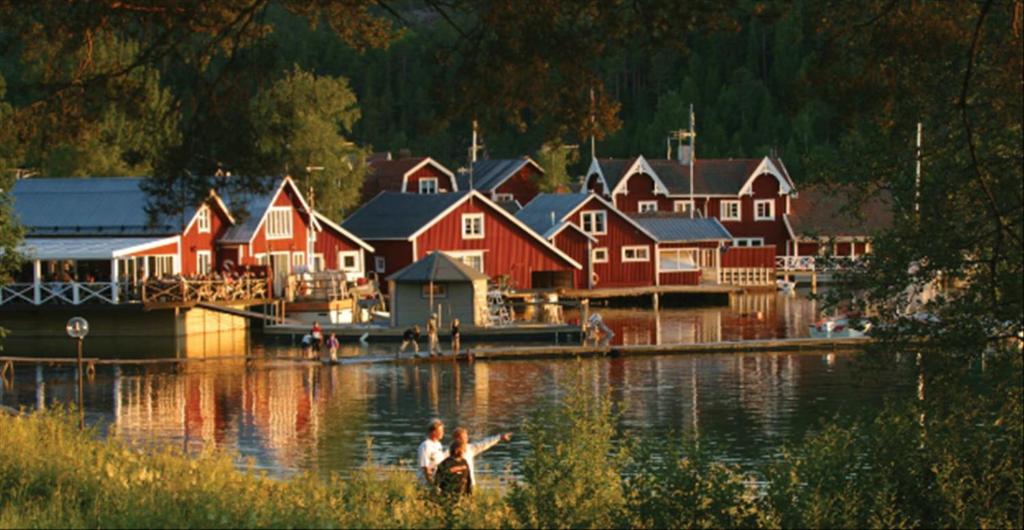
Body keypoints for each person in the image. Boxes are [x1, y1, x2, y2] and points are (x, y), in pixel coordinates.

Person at [451, 427, 512, 494]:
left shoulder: (470, 449)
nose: (467, 439)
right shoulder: (449, 452)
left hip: (470, 484)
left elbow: (484, 444)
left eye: (466, 437)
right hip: (455, 486)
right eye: (464, 438)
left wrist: (499, 437)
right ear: (456, 439)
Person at [417, 418, 448, 486]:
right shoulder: (425, 445)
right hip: (426, 483)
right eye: (441, 431)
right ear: (433, 432)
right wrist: (431, 484)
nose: (443, 433)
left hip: (437, 480)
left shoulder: (438, 444)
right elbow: (425, 467)